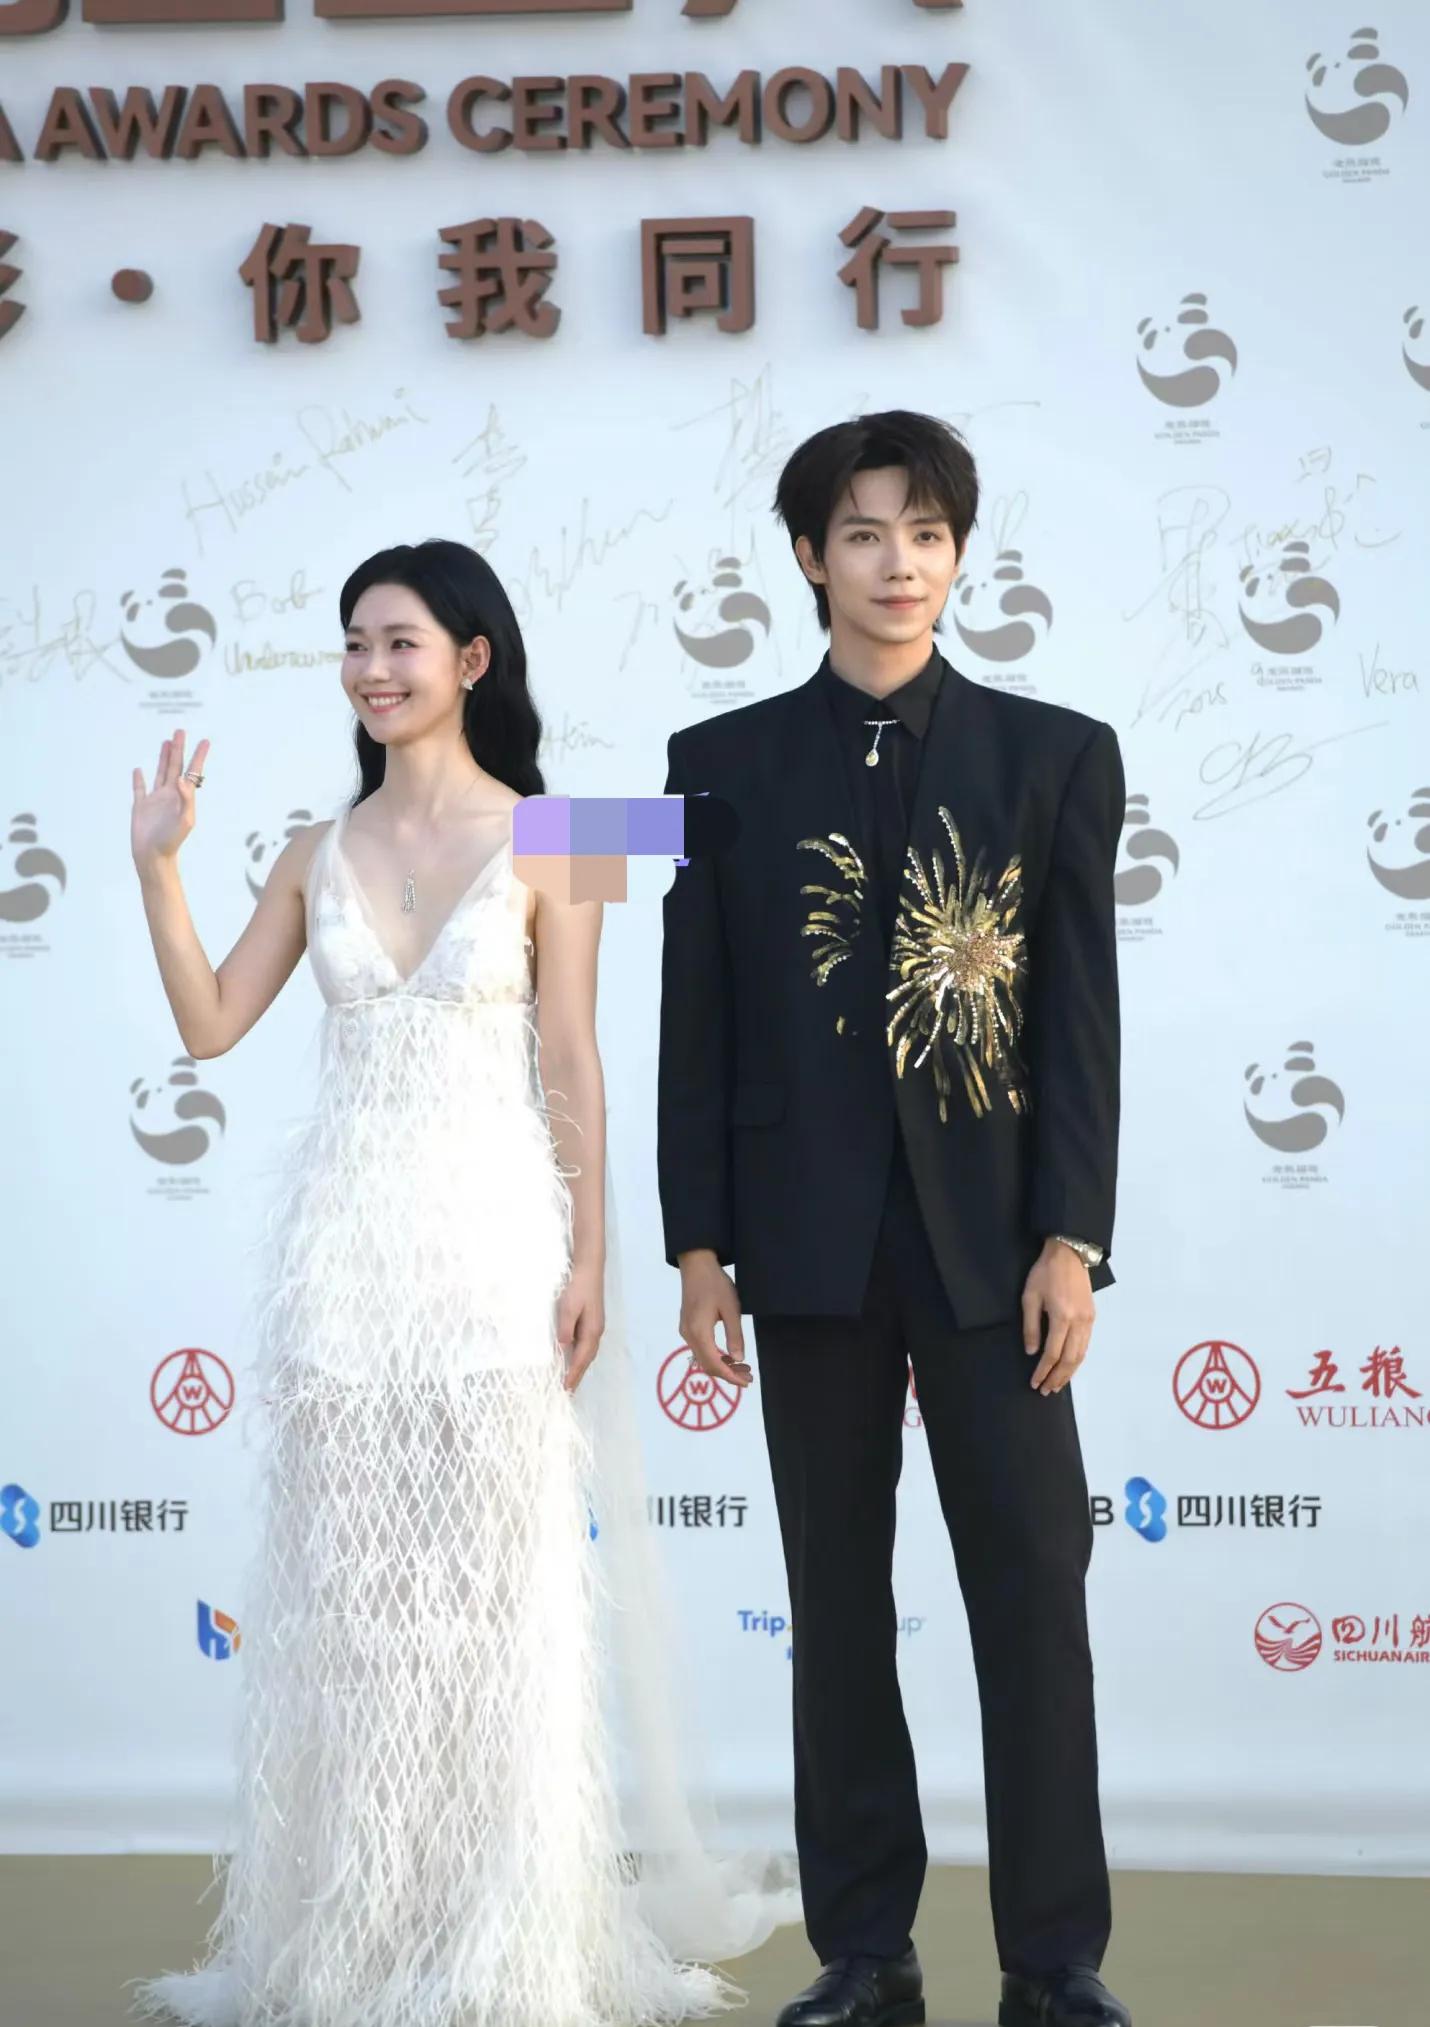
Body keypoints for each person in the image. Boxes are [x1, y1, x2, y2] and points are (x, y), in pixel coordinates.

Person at [131, 538, 790, 2027]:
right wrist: (158, 865)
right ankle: (359, 1935)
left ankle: (501, 1947)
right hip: (341, 1266)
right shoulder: (313, 850)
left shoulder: (567, 834)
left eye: (401, 642)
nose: (372, 669)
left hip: (495, 1253)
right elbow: (210, 1024)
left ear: (471, 659)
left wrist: (591, 1256)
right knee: (350, 1619)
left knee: (501, 1617)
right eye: (355, 643)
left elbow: (574, 1061)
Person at [657, 414, 1130, 2027]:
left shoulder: (1054, 754)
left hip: (998, 1249)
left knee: (1032, 1593)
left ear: (957, 551)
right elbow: (698, 1013)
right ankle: (864, 1950)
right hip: (802, 1245)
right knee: (836, 1606)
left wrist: (1072, 1236)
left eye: (924, 532)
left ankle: (1054, 1961)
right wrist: (697, 1242)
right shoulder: (713, 765)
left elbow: (1080, 1021)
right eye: (862, 534)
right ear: (809, 557)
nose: (897, 563)